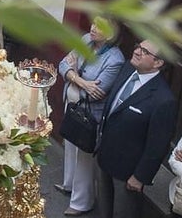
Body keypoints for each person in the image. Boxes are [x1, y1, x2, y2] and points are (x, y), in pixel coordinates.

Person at [94, 40, 178, 218]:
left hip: (127, 172)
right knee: (102, 209)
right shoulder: (127, 69)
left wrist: (140, 176)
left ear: (158, 63)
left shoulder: (163, 100)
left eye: (145, 51)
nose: (138, 52)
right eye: (138, 47)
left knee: (122, 213)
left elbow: (157, 144)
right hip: (104, 156)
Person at [56, 19, 125, 216]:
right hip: (72, 104)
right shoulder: (86, 39)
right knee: (69, 146)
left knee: (83, 156)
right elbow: (63, 64)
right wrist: (80, 80)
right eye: (94, 23)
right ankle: (68, 184)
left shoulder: (115, 59)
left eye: (99, 27)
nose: (93, 28)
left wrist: (73, 74)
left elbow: (96, 93)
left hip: (89, 114)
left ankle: (81, 202)